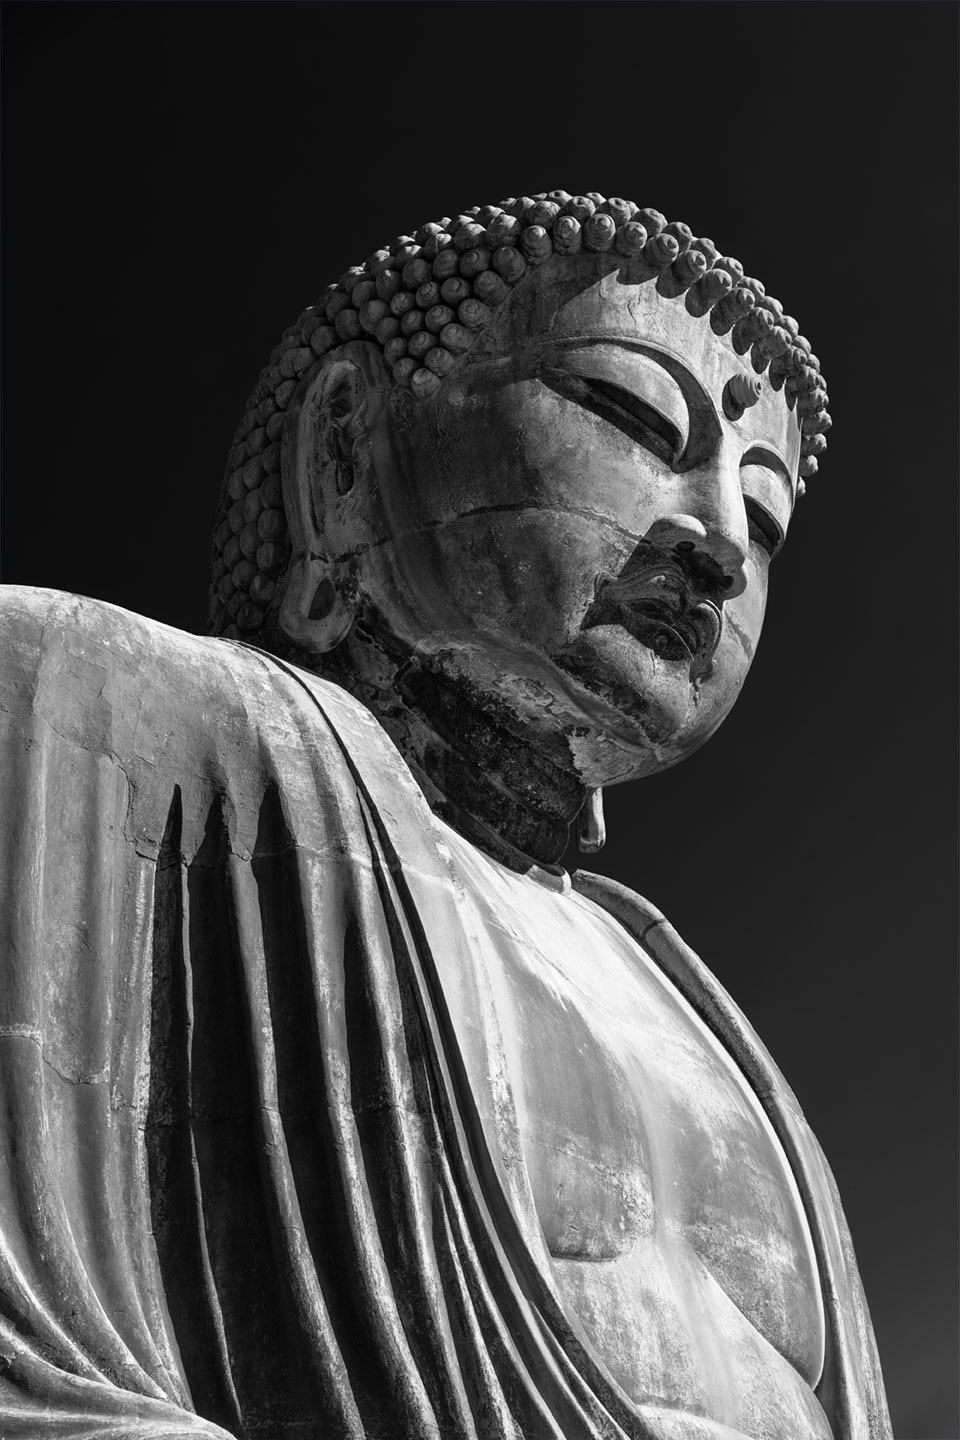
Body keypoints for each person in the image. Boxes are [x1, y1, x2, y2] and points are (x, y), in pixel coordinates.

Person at [0, 191, 890, 1439]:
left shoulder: (707, 1020)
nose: (721, 545)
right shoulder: (87, 704)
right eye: (631, 416)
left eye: (767, 514)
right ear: (346, 452)